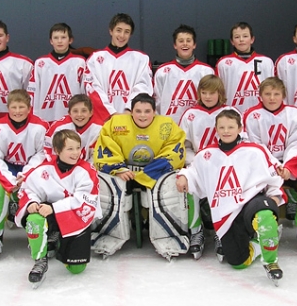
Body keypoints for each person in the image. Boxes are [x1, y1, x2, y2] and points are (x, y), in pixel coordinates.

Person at [176, 109, 284, 286]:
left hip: (252, 202)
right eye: (222, 127)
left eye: (231, 127)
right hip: (226, 214)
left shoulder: (255, 151)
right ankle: (260, 241)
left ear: (240, 128)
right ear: (216, 129)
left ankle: (271, 261)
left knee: (264, 215)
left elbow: (275, 175)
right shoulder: (205, 155)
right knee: (238, 262)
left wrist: (275, 197)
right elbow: (193, 173)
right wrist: (183, 176)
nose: (226, 131)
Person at [92, 93, 188, 260]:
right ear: (131, 112)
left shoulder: (167, 125)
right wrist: (119, 168)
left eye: (147, 111)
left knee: (170, 183)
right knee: (107, 184)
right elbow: (104, 147)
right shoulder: (116, 123)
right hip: (124, 172)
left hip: (153, 172)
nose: (142, 115)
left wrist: (148, 173)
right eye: (138, 111)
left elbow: (175, 151)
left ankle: (171, 235)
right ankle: (107, 234)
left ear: (154, 112)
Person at [242, 77, 297, 258]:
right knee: (252, 186)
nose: (272, 98)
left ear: (283, 95)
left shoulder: (296, 114)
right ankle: (258, 228)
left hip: (290, 162)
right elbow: (254, 147)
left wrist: (288, 166)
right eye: (268, 94)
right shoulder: (251, 115)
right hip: (263, 165)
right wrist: (274, 166)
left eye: (276, 94)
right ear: (260, 95)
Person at [15, 129, 100, 288]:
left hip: (75, 218)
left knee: (77, 268)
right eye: (70, 149)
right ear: (57, 150)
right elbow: (28, 190)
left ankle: (57, 238)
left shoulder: (86, 171)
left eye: (78, 148)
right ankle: (40, 260)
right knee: (33, 219)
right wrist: (31, 203)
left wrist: (54, 208)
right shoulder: (43, 169)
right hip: (49, 213)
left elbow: (85, 200)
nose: (76, 153)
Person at [0, 89, 48, 263]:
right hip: (7, 170)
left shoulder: (40, 127)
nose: (17, 111)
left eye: (21, 107)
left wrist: (26, 174)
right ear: (8, 107)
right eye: (14, 107)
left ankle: (47, 233)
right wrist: (9, 180)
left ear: (29, 108)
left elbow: (44, 154)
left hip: (31, 171)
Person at [179, 74, 240, 260]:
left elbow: (240, 142)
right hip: (198, 165)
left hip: (224, 166)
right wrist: (196, 160)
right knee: (190, 186)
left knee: (225, 188)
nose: (207, 96)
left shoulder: (230, 112)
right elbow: (184, 146)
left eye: (212, 93)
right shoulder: (190, 114)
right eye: (204, 92)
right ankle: (196, 231)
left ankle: (222, 231)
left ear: (220, 93)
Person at [83, 13, 153, 122]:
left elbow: (144, 86)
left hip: (131, 119)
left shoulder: (141, 59)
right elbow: (92, 89)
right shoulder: (95, 59)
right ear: (111, 31)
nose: (122, 35)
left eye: (127, 32)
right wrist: (111, 113)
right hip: (102, 121)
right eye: (119, 30)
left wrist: (129, 110)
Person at [154, 24, 214, 124]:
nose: (185, 44)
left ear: (194, 44)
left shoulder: (206, 71)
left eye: (188, 41)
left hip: (197, 127)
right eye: (181, 41)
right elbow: (156, 101)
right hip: (168, 128)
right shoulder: (162, 71)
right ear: (175, 45)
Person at [30, 23, 87, 123]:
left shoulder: (80, 62)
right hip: (45, 119)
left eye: (63, 37)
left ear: (70, 40)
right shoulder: (40, 63)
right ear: (51, 41)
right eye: (56, 38)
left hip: (73, 120)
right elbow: (32, 93)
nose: (59, 41)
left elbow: (85, 92)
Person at [216, 22, 274, 113]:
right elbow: (217, 91)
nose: (241, 40)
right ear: (232, 41)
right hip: (232, 116)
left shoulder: (266, 62)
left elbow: (273, 89)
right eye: (237, 37)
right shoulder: (223, 63)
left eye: (245, 36)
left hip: (261, 115)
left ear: (252, 39)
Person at [45, 94, 102, 163]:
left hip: (88, 170)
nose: (79, 115)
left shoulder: (100, 129)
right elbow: (47, 150)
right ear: (69, 113)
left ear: (91, 113)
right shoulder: (58, 127)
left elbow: (99, 157)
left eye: (84, 111)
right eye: (75, 111)